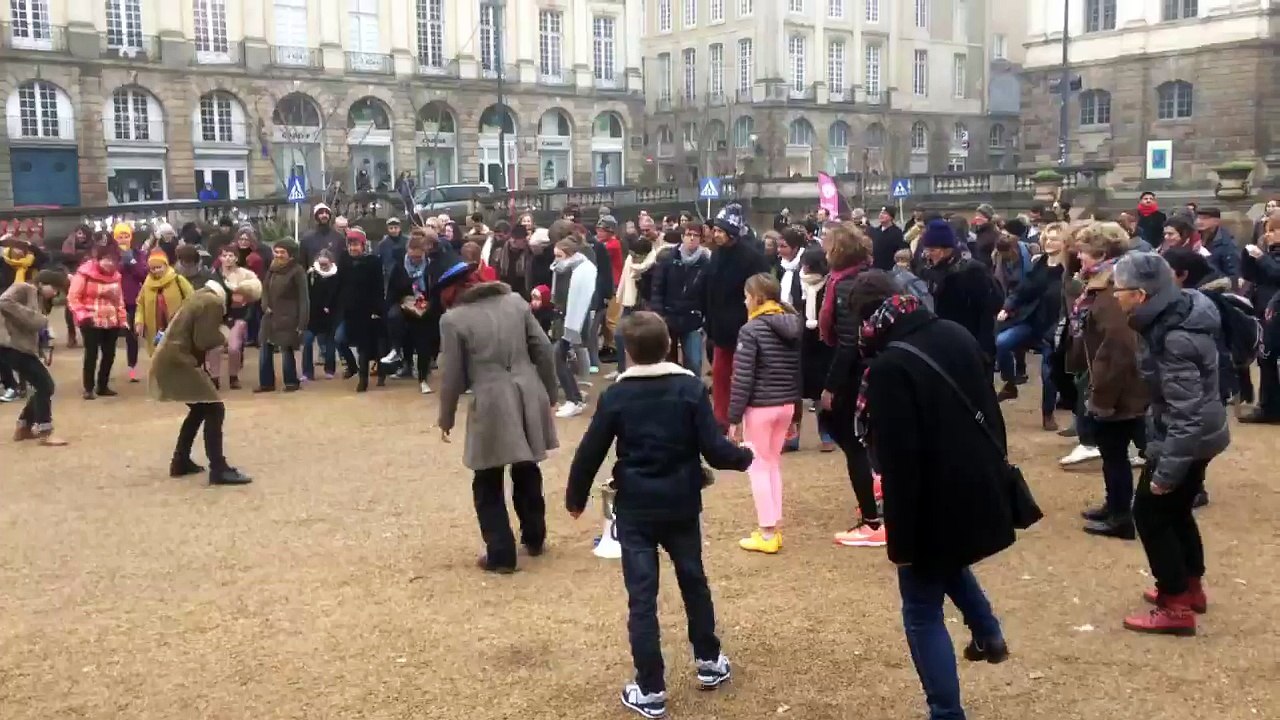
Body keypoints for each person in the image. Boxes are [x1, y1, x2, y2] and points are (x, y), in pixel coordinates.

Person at [566, 311, 753, 720]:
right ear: (669, 344)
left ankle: (650, 687)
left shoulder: (616, 395)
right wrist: (744, 458)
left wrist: (575, 497)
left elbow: (591, 450)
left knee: (642, 596)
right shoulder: (689, 388)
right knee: (693, 579)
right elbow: (714, 447)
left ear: (628, 352)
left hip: (635, 505)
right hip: (682, 500)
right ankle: (708, 660)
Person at [850, 272, 1015, 720]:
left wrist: (900, 542)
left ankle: (946, 712)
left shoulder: (887, 368)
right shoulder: (952, 332)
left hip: (931, 497)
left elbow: (901, 463)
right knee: (948, 561)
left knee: (921, 611)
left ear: (869, 318)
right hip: (976, 478)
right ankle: (988, 632)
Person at [1111, 252, 1230, 635]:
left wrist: (1167, 469)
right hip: (1199, 435)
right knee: (1177, 510)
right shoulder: (1175, 315)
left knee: (1150, 512)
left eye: (1120, 290)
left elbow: (1186, 412)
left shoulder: (1174, 336)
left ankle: (1176, 604)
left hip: (1186, 437)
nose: (1115, 296)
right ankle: (1191, 587)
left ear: (1141, 295)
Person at [436, 267, 558, 574]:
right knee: (527, 467)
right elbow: (543, 348)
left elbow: (452, 375)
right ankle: (534, 537)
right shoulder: (516, 302)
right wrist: (550, 390)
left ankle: (501, 554)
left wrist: (446, 416)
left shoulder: (453, 320)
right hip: (527, 389)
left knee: (487, 478)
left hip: (490, 397)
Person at [1068, 227, 1148, 541]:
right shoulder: (1100, 285)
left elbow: (1118, 348)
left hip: (1121, 387)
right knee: (1112, 450)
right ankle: (1114, 506)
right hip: (1117, 383)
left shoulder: (1113, 290)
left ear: (1102, 254)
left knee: (1116, 451)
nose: (1079, 256)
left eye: (1084, 250)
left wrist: (1102, 396)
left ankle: (1121, 517)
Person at [150, 280, 252, 485]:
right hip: (178, 359)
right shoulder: (212, 302)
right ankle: (218, 468)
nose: (245, 304)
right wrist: (224, 335)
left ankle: (180, 461)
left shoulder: (201, 295)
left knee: (200, 408)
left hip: (170, 357)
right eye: (246, 298)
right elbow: (204, 340)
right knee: (214, 409)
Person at [728, 274, 802, 554]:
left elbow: (743, 377)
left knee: (757, 466)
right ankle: (773, 526)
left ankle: (767, 532)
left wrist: (733, 417)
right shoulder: (792, 324)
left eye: (747, 295)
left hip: (760, 406)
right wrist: (795, 411)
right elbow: (797, 371)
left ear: (756, 297)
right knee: (771, 464)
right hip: (785, 404)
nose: (744, 300)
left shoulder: (751, 329)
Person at [819, 223, 881, 547]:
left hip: (858, 372)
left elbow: (847, 343)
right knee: (869, 441)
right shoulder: (869, 277)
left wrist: (829, 387)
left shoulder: (844, 287)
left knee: (851, 441)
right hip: (876, 367)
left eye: (828, 245)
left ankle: (871, 521)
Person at [994, 223, 1067, 429]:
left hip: (1055, 330)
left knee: (1047, 372)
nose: (1050, 242)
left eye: (1055, 238)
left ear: (1065, 242)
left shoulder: (1070, 269)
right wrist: (1008, 307)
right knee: (1002, 341)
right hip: (1031, 322)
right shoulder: (1040, 262)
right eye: (1048, 238)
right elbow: (1024, 289)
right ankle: (1010, 383)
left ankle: (1048, 413)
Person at [704, 204, 770, 429]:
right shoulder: (716, 255)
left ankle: (749, 418)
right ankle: (721, 418)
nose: (715, 234)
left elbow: (762, 292)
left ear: (732, 233)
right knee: (721, 375)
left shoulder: (752, 258)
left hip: (746, 326)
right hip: (720, 328)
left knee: (747, 377)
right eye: (715, 230)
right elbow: (710, 290)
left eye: (720, 231)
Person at [919, 220, 1001, 366]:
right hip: (943, 343)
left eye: (932, 250)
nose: (928, 255)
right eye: (927, 250)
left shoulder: (973, 271)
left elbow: (988, 309)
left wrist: (984, 351)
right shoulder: (929, 271)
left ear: (946, 249)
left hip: (970, 343)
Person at [1, 269, 69, 445]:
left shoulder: (38, 298)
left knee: (43, 386)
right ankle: (44, 430)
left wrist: (44, 343)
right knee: (45, 385)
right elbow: (4, 301)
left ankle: (24, 426)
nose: (55, 292)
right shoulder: (23, 287)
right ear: (42, 282)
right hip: (10, 345)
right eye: (54, 287)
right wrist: (36, 320)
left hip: (20, 346)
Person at [67, 247, 129, 400]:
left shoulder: (116, 276)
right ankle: (88, 387)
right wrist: (82, 315)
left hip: (111, 320)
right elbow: (73, 297)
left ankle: (103, 385)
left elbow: (119, 300)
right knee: (91, 353)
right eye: (106, 259)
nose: (110, 263)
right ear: (98, 259)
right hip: (90, 319)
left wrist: (122, 319)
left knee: (109, 354)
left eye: (113, 261)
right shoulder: (84, 274)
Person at [651, 222, 710, 375]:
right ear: (682, 237)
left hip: (693, 319)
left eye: (696, 235)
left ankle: (694, 394)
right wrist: (659, 314)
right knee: (669, 365)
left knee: (694, 363)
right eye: (689, 235)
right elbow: (657, 288)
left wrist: (704, 316)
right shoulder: (668, 258)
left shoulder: (706, 262)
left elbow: (708, 292)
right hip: (669, 317)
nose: (692, 239)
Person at [549, 238, 598, 418]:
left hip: (575, 322)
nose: (556, 260)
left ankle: (575, 399)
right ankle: (574, 397)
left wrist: (573, 328)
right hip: (565, 319)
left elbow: (580, 301)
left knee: (559, 356)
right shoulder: (566, 269)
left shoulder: (581, 270)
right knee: (559, 357)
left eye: (559, 255)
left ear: (570, 254)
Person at [386, 234, 438, 394]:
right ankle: (397, 351)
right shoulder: (399, 267)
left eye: (418, 257)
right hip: (404, 306)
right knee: (395, 320)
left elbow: (435, 289)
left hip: (424, 309)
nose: (415, 259)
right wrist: (404, 301)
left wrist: (428, 304)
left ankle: (423, 379)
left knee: (423, 344)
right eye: (412, 256)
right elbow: (392, 291)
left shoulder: (430, 267)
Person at [1240, 215, 1280, 423]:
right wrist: (1249, 256)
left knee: (1270, 358)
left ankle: (1270, 407)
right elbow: (1251, 275)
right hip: (1265, 309)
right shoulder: (1271, 251)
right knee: (1265, 359)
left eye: (1273, 230)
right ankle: (1268, 406)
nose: (1268, 234)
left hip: (1276, 312)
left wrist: (1262, 259)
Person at [254, 240, 308, 393]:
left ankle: (291, 381)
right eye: (276, 252)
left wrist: (302, 322)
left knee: (286, 348)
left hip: (288, 316)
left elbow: (304, 298)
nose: (278, 255)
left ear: (291, 254)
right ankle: (266, 383)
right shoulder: (272, 268)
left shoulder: (297, 271)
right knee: (265, 347)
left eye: (282, 252)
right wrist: (265, 305)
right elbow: (264, 289)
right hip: (269, 316)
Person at [337, 228, 386, 392]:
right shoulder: (344, 261)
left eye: (356, 245)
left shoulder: (373, 262)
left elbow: (378, 287)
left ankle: (363, 379)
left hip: (367, 310)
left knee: (363, 347)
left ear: (363, 246)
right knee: (339, 339)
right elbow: (339, 284)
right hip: (348, 310)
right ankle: (352, 367)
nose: (353, 248)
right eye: (350, 245)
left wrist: (377, 309)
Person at [208, 247, 261, 390]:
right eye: (225, 255)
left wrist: (246, 314)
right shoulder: (213, 275)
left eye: (231, 255)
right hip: (219, 317)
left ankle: (233, 377)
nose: (228, 258)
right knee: (215, 347)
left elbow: (255, 295)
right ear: (220, 258)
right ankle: (214, 378)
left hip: (240, 315)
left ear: (237, 258)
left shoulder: (246, 275)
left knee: (233, 348)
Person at [798, 250, 835, 452]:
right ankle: (793, 435)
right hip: (802, 339)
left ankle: (826, 431)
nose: (803, 268)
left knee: (822, 389)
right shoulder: (798, 282)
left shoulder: (830, 284)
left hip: (824, 340)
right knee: (800, 387)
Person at [134, 249, 195, 359]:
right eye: (153, 268)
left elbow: (192, 298)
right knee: (157, 356)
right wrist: (139, 321)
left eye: (159, 267)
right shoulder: (147, 285)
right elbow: (140, 304)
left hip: (176, 326)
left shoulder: (178, 279)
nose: (156, 270)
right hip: (155, 328)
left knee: (176, 354)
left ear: (165, 265)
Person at [302, 249, 341, 382]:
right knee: (307, 342)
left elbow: (337, 295)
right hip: (312, 315)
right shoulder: (311, 274)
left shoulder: (336, 275)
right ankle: (307, 372)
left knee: (329, 343)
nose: (323, 266)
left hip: (329, 316)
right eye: (321, 263)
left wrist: (329, 307)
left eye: (326, 264)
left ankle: (330, 369)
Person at [1193, 207, 1240, 288]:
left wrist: (1206, 257)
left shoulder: (1226, 244)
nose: (1199, 222)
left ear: (1216, 221)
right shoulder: (1194, 238)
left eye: (1204, 219)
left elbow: (1233, 276)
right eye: (1198, 218)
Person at [300, 203, 345, 268]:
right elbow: (303, 262)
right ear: (316, 216)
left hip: (335, 277)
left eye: (327, 213)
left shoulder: (339, 238)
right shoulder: (307, 239)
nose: (324, 215)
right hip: (313, 276)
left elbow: (343, 261)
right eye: (321, 213)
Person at [870, 207, 908, 272]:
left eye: (884, 213)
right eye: (881, 213)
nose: (881, 215)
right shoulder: (875, 231)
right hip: (875, 268)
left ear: (891, 217)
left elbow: (900, 251)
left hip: (890, 269)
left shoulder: (897, 232)